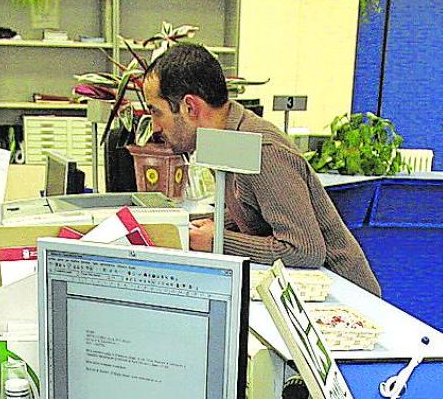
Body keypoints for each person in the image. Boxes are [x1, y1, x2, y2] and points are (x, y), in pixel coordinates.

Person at [142, 44, 382, 295]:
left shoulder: (264, 150)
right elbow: (251, 211)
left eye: (157, 112)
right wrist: (191, 225)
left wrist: (217, 240)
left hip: (346, 296)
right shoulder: (223, 139)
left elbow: (304, 250)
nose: (155, 127)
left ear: (190, 107)